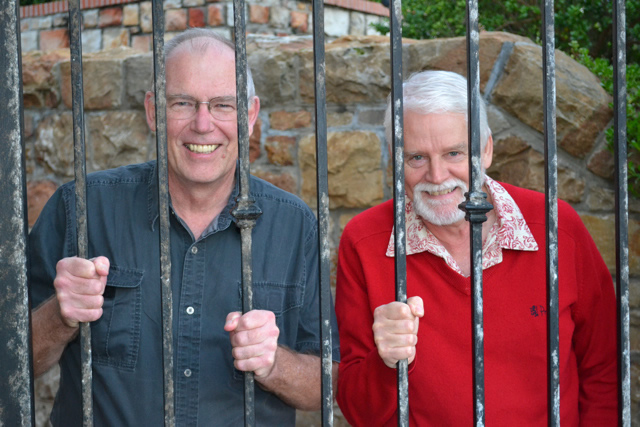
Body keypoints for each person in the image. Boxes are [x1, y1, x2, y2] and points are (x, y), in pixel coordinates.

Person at [29, 28, 339, 426]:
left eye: (223, 105)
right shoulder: (82, 209)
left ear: (249, 116)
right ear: (153, 110)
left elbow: (329, 385)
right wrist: (60, 315)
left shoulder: (296, 226)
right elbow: (12, 358)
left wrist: (274, 363)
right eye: (183, 103)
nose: (203, 124)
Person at [335, 70, 617, 425]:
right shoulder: (364, 242)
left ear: (486, 150)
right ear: (395, 159)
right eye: (416, 158)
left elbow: (605, 369)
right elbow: (357, 410)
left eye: (454, 153)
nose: (437, 177)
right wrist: (386, 362)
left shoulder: (556, 226)